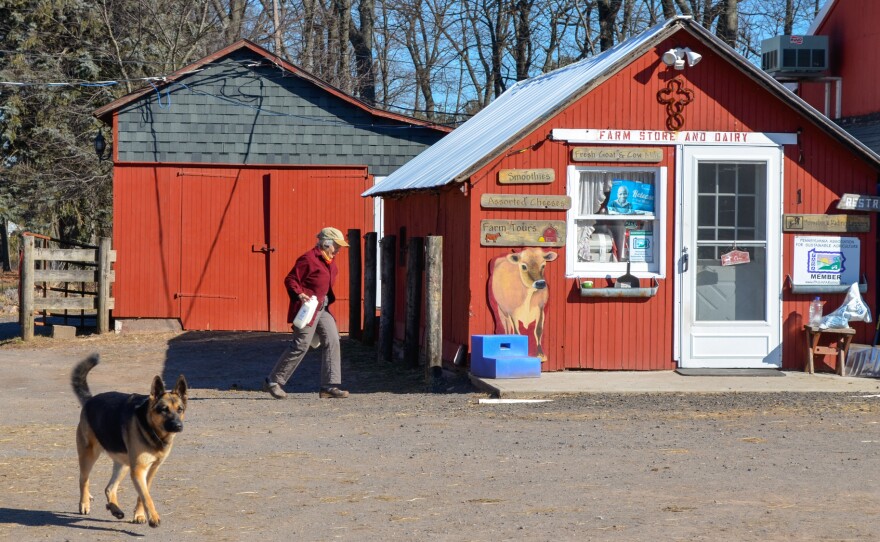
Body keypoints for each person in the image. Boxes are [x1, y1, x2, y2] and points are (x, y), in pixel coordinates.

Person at [264, 227, 350, 399]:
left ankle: (328, 386)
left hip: (323, 307)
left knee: (333, 340)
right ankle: (273, 381)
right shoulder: (309, 259)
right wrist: (299, 294)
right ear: (326, 244)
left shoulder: (329, 260)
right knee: (301, 344)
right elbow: (291, 279)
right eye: (336, 245)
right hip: (308, 309)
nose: (339, 249)